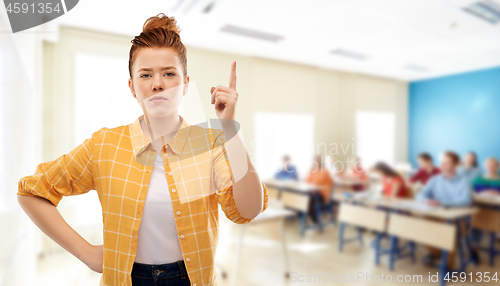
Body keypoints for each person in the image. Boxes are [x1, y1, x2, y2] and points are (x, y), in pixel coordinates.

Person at [17, 13, 268, 286]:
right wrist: (87, 253)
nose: (157, 83)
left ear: (185, 84)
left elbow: (249, 209)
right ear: (133, 87)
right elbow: (32, 193)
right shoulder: (104, 145)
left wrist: (229, 127)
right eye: (145, 75)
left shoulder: (209, 145)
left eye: (169, 74)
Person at [416, 151, 472, 269]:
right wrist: (425, 200)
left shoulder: (464, 181)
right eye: (442, 163)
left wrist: (441, 203)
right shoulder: (435, 179)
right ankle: (438, 253)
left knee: (449, 230)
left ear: (456, 165)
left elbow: (466, 201)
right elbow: (421, 195)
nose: (443, 165)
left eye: (447, 163)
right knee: (415, 225)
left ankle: (447, 266)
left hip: (457, 219)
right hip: (436, 214)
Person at [470, 157, 500, 254]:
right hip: (481, 207)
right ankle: (475, 244)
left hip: (497, 208)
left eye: (493, 165)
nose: (491, 167)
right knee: (477, 215)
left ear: (497, 167)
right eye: (488, 165)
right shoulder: (477, 179)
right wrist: (484, 193)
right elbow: (471, 193)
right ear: (485, 167)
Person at [306, 155, 334, 224]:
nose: (314, 162)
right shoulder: (311, 170)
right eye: (313, 161)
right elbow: (307, 182)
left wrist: (312, 171)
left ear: (320, 162)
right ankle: (307, 214)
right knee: (304, 197)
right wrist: (311, 171)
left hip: (322, 195)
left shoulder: (325, 171)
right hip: (314, 193)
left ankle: (314, 218)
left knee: (310, 199)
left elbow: (317, 182)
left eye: (316, 161)